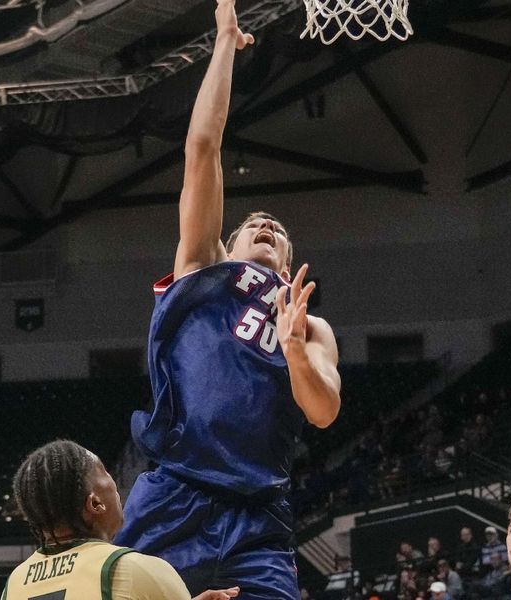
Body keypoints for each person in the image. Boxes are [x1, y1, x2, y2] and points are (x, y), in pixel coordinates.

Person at [113, 2, 342, 598]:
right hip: (175, 493)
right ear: (227, 242)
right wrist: (223, 43)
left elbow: (322, 411)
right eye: (253, 223)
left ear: (288, 262)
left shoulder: (311, 326)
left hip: (258, 511)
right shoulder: (201, 268)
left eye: (278, 229)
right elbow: (203, 149)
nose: (266, 225)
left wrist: (293, 350)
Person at [3, 440, 239, 600]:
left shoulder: (15, 584)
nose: (115, 485)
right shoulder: (135, 569)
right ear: (95, 504)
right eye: (105, 473)